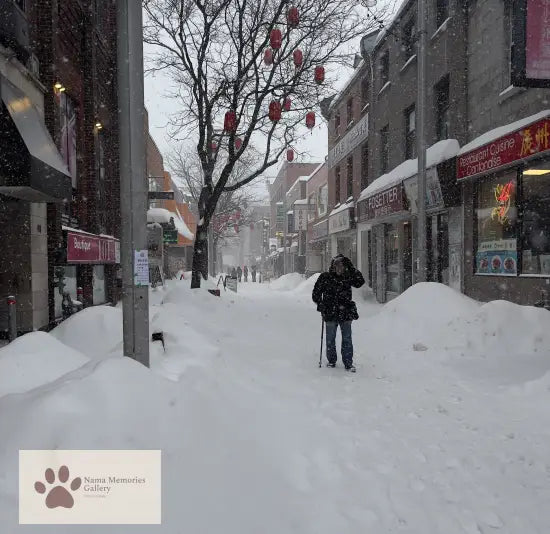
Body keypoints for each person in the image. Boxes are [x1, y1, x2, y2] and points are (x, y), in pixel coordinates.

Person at [312, 254, 365, 372]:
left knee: (347, 339)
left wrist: (351, 267)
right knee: (330, 338)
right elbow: (316, 293)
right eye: (337, 265)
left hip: (345, 312)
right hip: (330, 312)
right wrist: (321, 305)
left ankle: (348, 363)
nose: (339, 268)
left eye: (342, 265)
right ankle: (331, 360)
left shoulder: (348, 276)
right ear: (332, 266)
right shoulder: (325, 277)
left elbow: (360, 282)